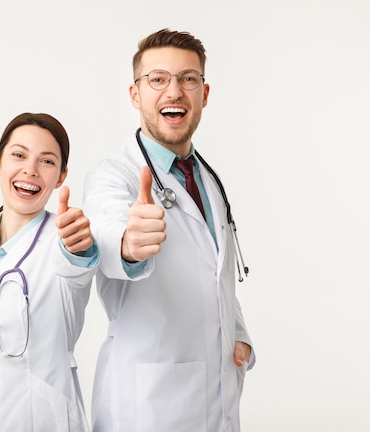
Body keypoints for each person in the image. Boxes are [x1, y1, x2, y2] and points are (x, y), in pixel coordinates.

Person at [82, 29, 255, 432]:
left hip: (217, 396)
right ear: (135, 94)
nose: (174, 91)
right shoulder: (114, 176)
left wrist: (239, 332)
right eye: (157, 79)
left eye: (188, 79)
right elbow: (107, 236)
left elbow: (214, 272)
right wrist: (129, 243)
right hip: (148, 406)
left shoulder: (207, 178)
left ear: (204, 94)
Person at [0, 112, 98, 432]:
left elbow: (77, 269)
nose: (30, 170)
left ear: (62, 175)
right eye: (19, 155)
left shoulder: (63, 239)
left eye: (47, 161)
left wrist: (78, 248)